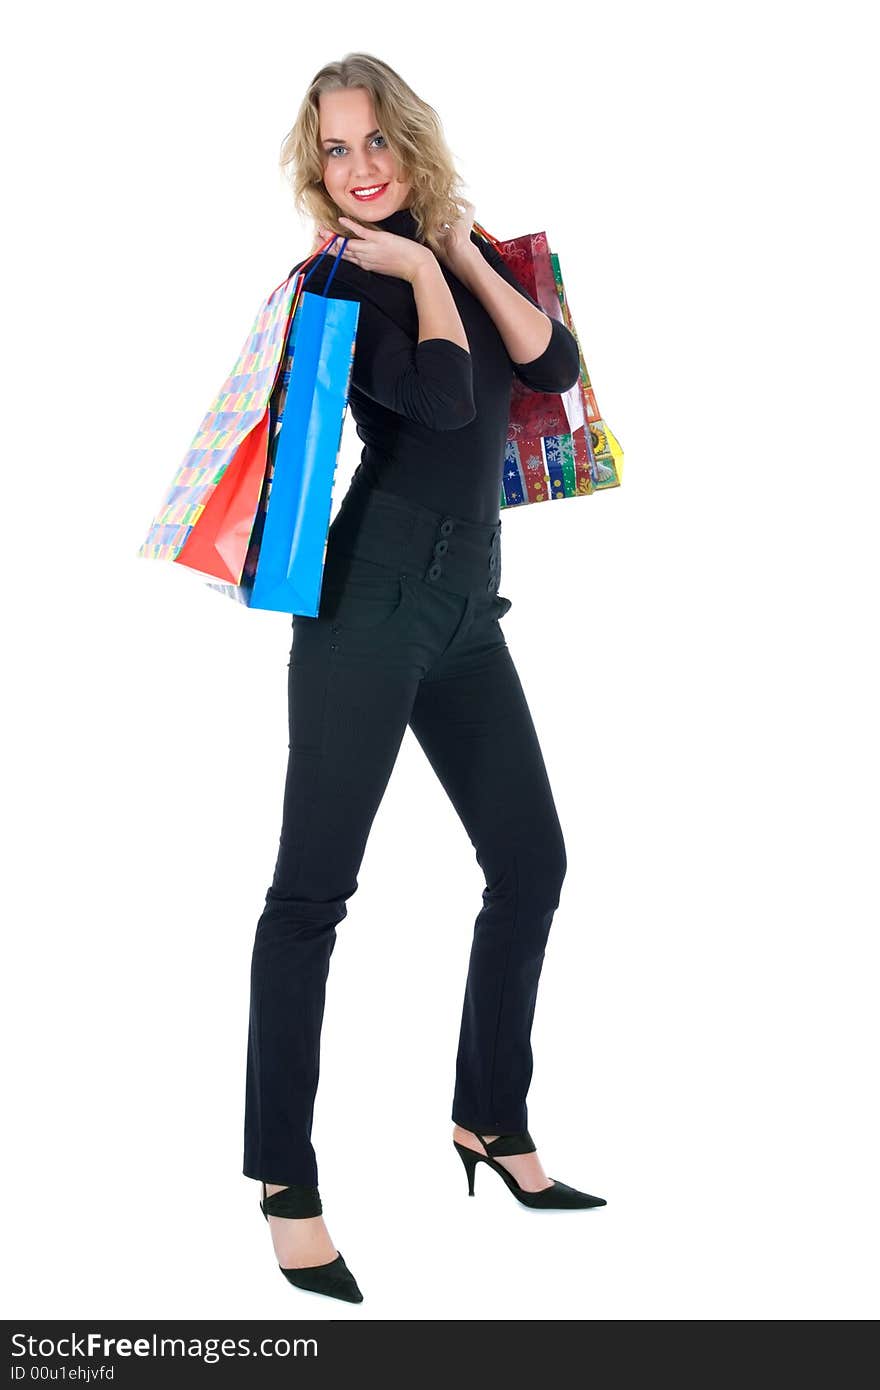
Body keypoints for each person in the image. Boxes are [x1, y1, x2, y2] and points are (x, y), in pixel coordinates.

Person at [244, 52, 607, 1305]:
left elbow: (551, 369)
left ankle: (487, 1120)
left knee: (532, 860)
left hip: (467, 602)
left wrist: (454, 252)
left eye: (375, 141)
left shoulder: (458, 247)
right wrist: (408, 267)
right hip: (373, 597)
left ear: (410, 140)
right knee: (310, 896)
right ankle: (285, 1185)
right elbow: (448, 405)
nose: (358, 169)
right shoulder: (336, 284)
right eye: (335, 150)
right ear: (317, 165)